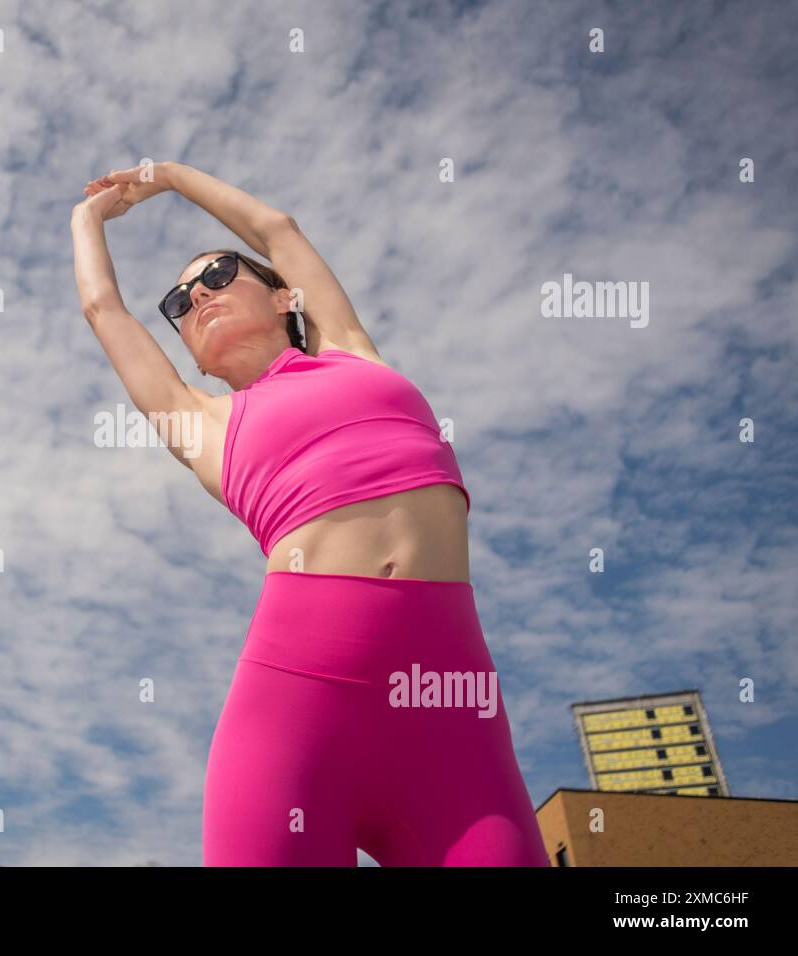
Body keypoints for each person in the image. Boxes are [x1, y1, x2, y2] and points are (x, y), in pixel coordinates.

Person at [70, 162, 548, 867]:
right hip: (294, 714)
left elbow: (275, 227)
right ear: (193, 359)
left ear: (286, 296)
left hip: (453, 713)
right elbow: (103, 309)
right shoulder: (203, 424)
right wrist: (87, 218)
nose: (197, 296)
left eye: (220, 273)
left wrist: (169, 176)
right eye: (179, 303)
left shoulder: (352, 353)